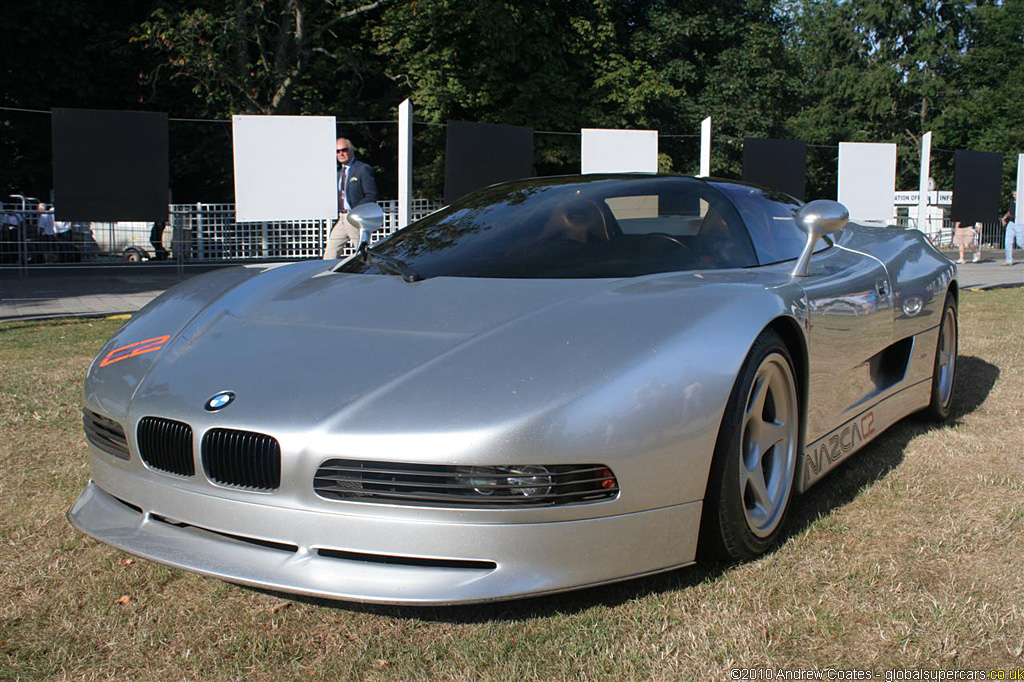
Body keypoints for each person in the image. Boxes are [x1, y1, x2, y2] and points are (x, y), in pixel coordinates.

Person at [323, 137, 379, 259]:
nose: (341, 154)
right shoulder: (338, 173)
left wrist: (357, 211)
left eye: (344, 150)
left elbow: (371, 195)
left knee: (362, 252)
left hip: (355, 217)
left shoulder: (362, 169)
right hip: (342, 218)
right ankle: (327, 276)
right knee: (330, 253)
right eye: (337, 151)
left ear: (351, 150)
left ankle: (371, 274)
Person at [1001, 191, 1021, 266]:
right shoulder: (1012, 201)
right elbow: (1009, 212)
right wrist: (1004, 218)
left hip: (1019, 223)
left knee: (1020, 242)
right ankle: (1009, 260)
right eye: (1013, 194)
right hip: (1011, 223)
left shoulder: (1022, 202)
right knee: (1008, 242)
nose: (1014, 195)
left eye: (1015, 194)